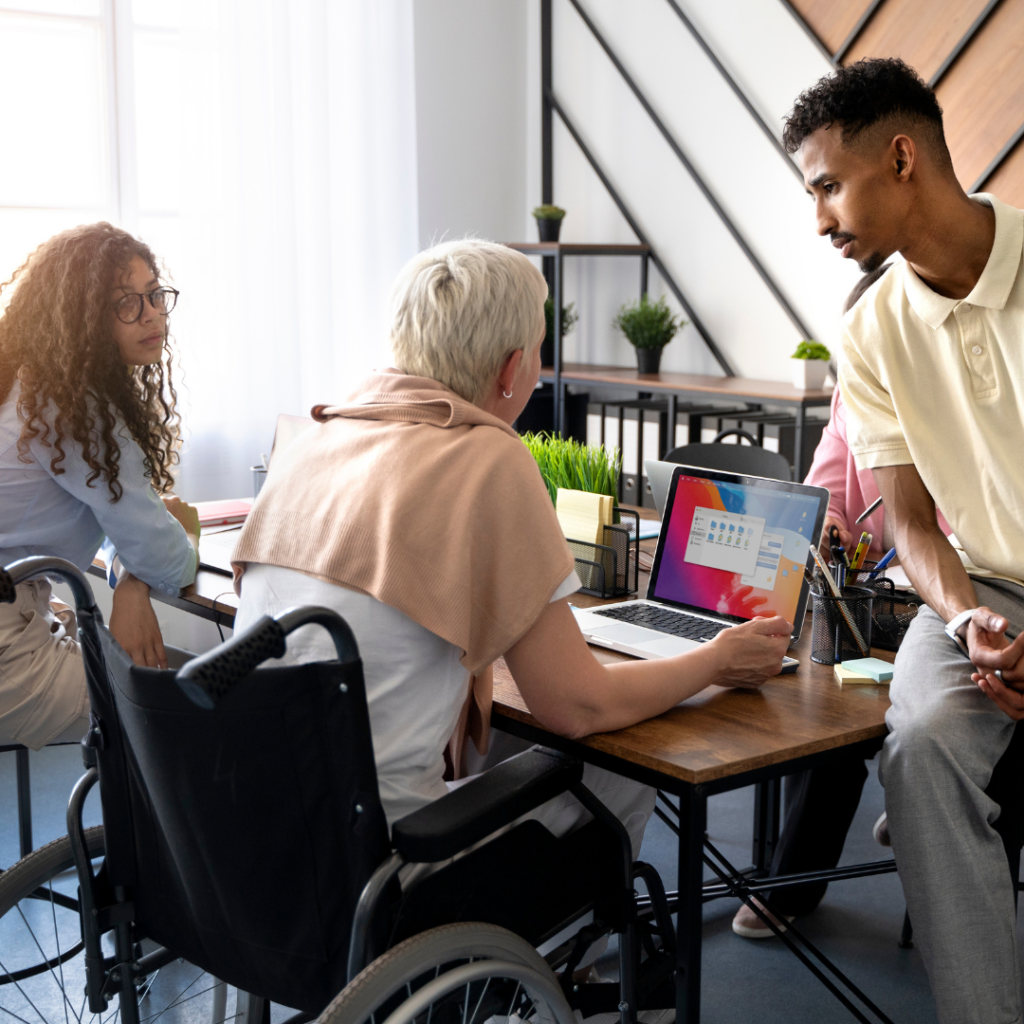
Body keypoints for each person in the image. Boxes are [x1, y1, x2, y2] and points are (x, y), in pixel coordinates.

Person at [231, 239, 791, 907]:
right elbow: (577, 707)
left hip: (257, 842)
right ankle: (573, 972)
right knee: (631, 751)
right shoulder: (487, 459)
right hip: (389, 867)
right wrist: (715, 660)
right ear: (513, 367)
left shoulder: (317, 437)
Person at [784, 56, 1024, 1024]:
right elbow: (913, 522)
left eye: (827, 187)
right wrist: (964, 613)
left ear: (899, 157)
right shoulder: (870, 329)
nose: (820, 220)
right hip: (981, 589)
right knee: (919, 741)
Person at [731, 264, 956, 939]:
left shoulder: (957, 414)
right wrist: (823, 521)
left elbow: (963, 540)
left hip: (942, 611)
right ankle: (910, 793)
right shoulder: (852, 400)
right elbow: (824, 488)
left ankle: (794, 886)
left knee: (846, 707)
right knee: (809, 686)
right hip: (868, 606)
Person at [0, 222, 201, 750]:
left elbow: (119, 526)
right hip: (7, 658)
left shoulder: (23, 384)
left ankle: (129, 829)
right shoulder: (70, 409)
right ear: (82, 319)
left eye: (154, 294)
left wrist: (126, 576)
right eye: (126, 304)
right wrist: (139, 574)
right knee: (188, 697)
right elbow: (172, 561)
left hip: (23, 611)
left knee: (151, 671)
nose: (152, 313)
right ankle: (147, 835)